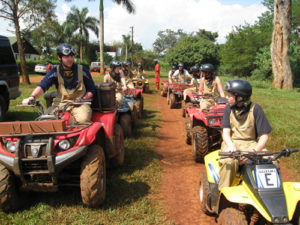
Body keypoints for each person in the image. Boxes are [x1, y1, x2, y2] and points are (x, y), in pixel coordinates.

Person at [218, 79, 273, 190]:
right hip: (232, 143)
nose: (227, 97)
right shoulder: (228, 109)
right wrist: (231, 147)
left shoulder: (256, 109)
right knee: (229, 162)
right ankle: (222, 193)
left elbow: (264, 135)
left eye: (230, 95)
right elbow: (226, 133)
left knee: (272, 160)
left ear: (240, 98)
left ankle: (274, 195)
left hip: (252, 144)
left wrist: (255, 151)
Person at [22, 43, 95, 124]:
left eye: (72, 56)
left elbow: (91, 89)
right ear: (59, 58)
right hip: (60, 103)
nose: (70, 59)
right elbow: (43, 86)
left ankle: (80, 135)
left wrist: (83, 99)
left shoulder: (83, 70)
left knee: (83, 120)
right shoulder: (54, 71)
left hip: (79, 104)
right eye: (66, 57)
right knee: (45, 121)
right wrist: (32, 97)